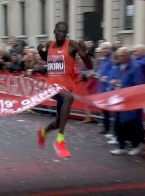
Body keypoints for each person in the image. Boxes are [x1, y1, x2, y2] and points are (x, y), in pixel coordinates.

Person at [37, 22, 93, 158]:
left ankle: (43, 132)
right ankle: (60, 140)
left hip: (66, 86)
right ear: (54, 31)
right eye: (59, 31)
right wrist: (40, 51)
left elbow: (89, 64)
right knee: (69, 98)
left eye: (64, 32)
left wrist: (86, 53)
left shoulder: (72, 44)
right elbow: (47, 59)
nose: (61, 34)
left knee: (59, 121)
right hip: (53, 86)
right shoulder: (49, 44)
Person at [108, 47, 145, 156]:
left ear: (128, 55)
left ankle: (136, 145)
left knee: (133, 124)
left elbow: (138, 84)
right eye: (119, 55)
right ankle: (121, 146)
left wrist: (133, 101)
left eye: (122, 55)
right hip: (119, 99)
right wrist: (112, 82)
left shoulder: (135, 66)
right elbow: (112, 78)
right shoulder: (117, 66)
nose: (120, 57)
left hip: (132, 100)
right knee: (119, 123)